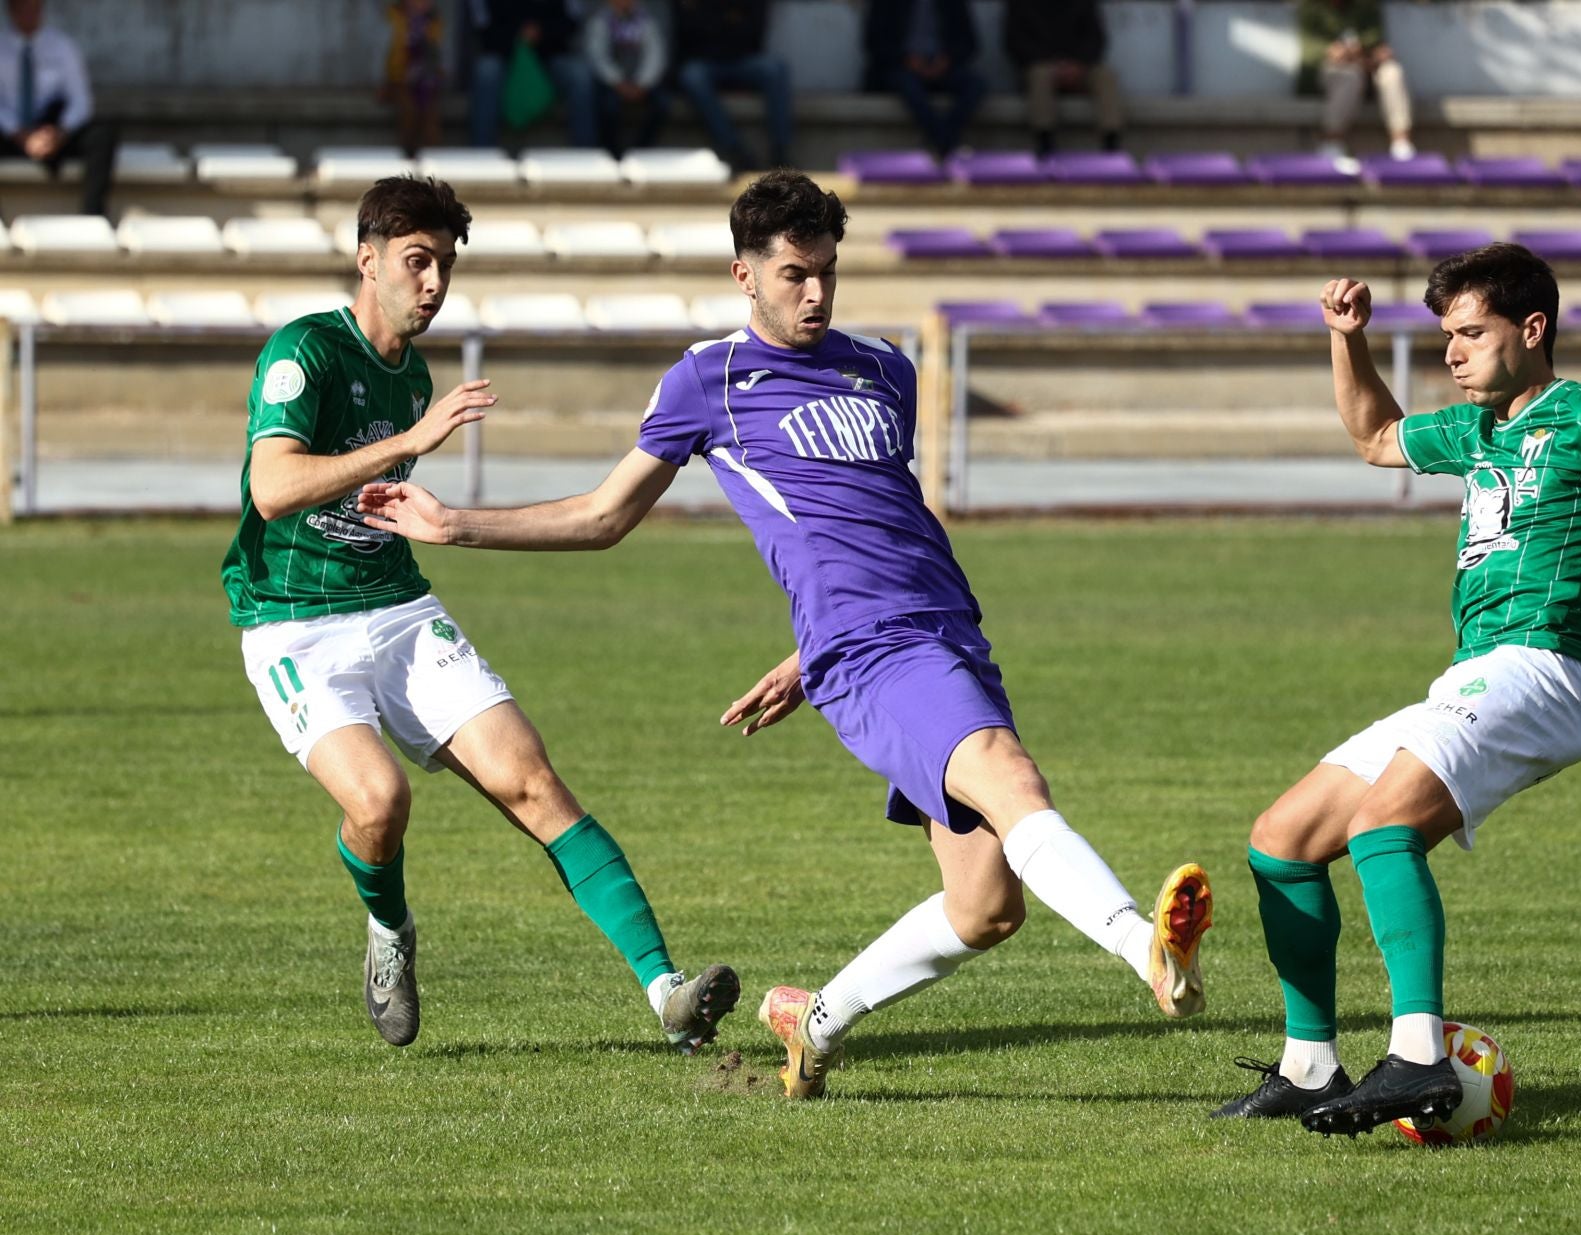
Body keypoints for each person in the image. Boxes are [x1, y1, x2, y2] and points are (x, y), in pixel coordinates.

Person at [355, 169, 1214, 1101]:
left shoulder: (886, 367)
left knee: (986, 905)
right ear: (745, 276)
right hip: (877, 652)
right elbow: (605, 516)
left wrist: (806, 654)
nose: (815, 293)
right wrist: (453, 526)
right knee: (1012, 779)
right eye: (796, 274)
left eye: (829, 274)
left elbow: (879, 520)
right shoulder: (707, 380)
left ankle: (817, 1022)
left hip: (943, 632)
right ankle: (1148, 950)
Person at [1210, 243, 1581, 1134]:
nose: (1452, 352)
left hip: (1546, 668)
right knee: (1282, 839)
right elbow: (1374, 438)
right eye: (1447, 334)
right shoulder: (1475, 427)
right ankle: (1310, 1066)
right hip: (1477, 671)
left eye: (1471, 333)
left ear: (1532, 330)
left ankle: (1417, 1058)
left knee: (1382, 824)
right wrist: (1348, 339)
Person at [222, 175, 737, 1056]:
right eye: (416, 262)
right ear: (368, 259)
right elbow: (273, 489)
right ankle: (390, 931)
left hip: (395, 604)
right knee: (379, 803)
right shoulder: (305, 352)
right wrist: (408, 444)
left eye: (444, 267)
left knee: (532, 779)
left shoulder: (412, 375)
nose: (432, 283)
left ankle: (667, 993)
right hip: (291, 623)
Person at [0, 0, 115, 216]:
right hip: (10, 134)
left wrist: (58, 133)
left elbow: (81, 102)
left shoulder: (62, 46)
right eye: (23, 7)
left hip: (52, 132)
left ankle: (92, 216)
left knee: (103, 134)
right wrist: (20, 135)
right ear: (11, 10)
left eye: (35, 7)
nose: (30, 14)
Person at [669, 0, 792, 172]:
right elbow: (687, 30)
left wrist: (714, 28)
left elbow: (753, 31)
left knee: (775, 69)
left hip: (742, 59)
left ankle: (780, 152)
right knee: (692, 77)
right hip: (705, 62)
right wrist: (726, 24)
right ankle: (735, 150)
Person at [1295, 0, 1414, 172]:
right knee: (1349, 76)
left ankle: (1401, 145)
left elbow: (1375, 43)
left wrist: (1373, 53)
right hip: (1328, 73)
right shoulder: (1311, 8)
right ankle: (1331, 143)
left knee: (1393, 72)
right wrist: (1340, 53)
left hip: (1366, 67)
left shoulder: (1366, 7)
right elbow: (1315, 53)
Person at [863, 0, 985, 162]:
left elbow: (969, 43)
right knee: (908, 85)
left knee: (976, 85)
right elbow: (875, 42)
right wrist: (906, 59)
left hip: (944, 68)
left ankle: (940, 140)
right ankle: (945, 142)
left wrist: (946, 60)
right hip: (902, 68)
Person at [466, 0, 598, 148]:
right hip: (503, 53)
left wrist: (541, 31)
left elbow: (573, 20)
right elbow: (480, 23)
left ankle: (584, 155)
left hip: (550, 53)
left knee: (580, 75)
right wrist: (517, 34)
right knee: (486, 72)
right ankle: (481, 155)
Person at [1001, 0, 1125, 158]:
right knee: (1040, 75)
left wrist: (1078, 64)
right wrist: (1052, 65)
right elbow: (1014, 41)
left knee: (1105, 76)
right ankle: (1045, 142)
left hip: (1080, 66)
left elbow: (1096, 38)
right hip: (1041, 64)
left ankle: (1111, 143)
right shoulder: (1020, 4)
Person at [584, 0, 669, 156]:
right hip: (612, 83)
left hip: (642, 82)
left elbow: (655, 55)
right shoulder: (601, 20)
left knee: (662, 104)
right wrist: (617, 82)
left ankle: (641, 150)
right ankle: (612, 153)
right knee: (607, 106)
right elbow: (597, 57)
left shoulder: (646, 19)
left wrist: (643, 83)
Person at [383, 0, 446, 152]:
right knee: (409, 111)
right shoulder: (394, 18)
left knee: (430, 115)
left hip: (427, 82)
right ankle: (406, 156)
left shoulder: (434, 22)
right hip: (399, 80)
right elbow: (391, 56)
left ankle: (432, 158)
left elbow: (436, 56)